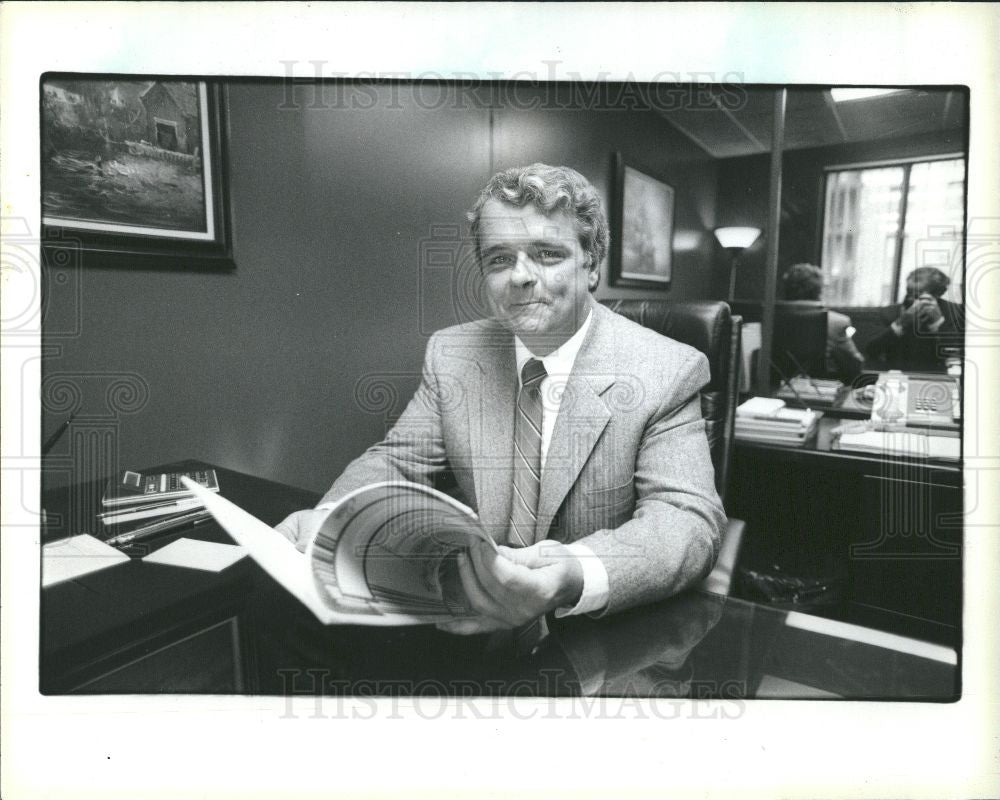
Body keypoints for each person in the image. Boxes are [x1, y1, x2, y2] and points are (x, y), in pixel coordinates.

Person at [277, 163, 725, 634]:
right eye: (498, 259)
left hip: (597, 635)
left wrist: (575, 572)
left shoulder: (666, 369)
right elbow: (397, 462)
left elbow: (687, 520)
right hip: (471, 618)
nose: (520, 277)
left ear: (591, 264)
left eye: (548, 254)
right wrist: (329, 522)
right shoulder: (453, 355)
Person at [865, 267, 964, 372]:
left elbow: (957, 355)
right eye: (909, 292)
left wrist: (938, 323)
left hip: (939, 377)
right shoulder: (888, 313)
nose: (910, 299)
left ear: (938, 294)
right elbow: (870, 350)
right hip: (898, 376)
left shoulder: (955, 312)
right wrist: (900, 324)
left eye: (917, 295)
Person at [781, 263, 864, 382]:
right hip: (820, 392)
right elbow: (856, 365)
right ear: (818, 291)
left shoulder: (768, 319)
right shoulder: (838, 323)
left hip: (773, 390)